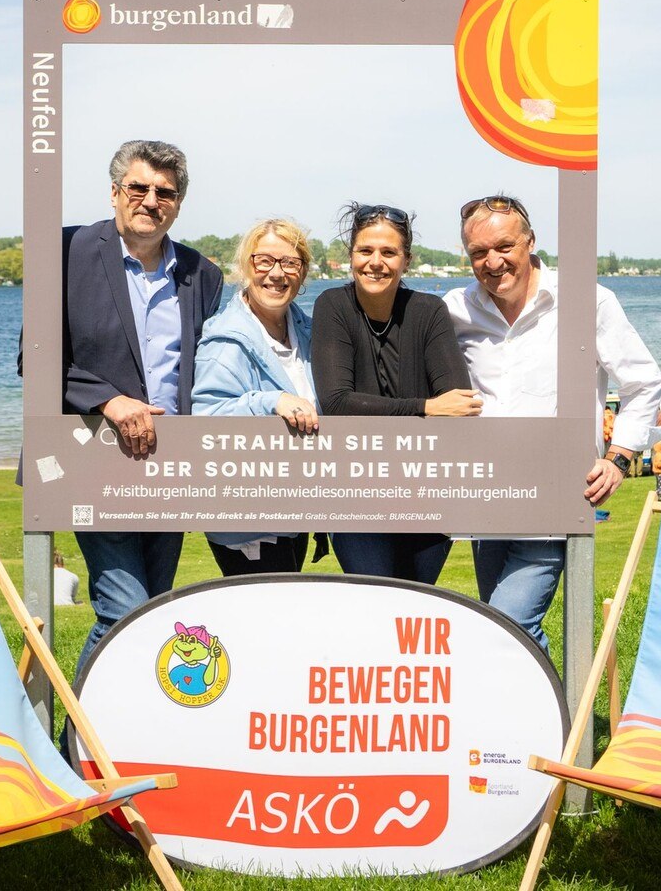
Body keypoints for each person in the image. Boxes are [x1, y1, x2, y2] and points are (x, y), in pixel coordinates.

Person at [444, 193, 661, 653]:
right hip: (485, 494)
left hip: (557, 494)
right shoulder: (455, 309)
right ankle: (539, 719)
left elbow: (642, 383)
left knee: (508, 620)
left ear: (530, 241)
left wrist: (620, 458)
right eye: (478, 253)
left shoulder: (588, 301)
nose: (492, 261)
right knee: (501, 626)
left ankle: (550, 722)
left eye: (504, 246)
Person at [62, 139, 223, 676]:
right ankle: (75, 744)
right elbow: (33, 360)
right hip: (92, 462)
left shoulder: (203, 274)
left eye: (166, 193)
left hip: (169, 468)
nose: (151, 200)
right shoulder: (65, 252)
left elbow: (206, 368)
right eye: (139, 187)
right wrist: (108, 399)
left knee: (154, 611)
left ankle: (128, 742)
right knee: (122, 609)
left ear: (178, 204)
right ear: (114, 193)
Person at [312, 203, 481, 583]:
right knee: (375, 599)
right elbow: (338, 403)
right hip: (355, 496)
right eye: (365, 250)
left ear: (406, 260)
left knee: (414, 604)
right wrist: (425, 407)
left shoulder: (428, 311)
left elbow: (459, 403)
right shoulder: (333, 306)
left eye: (389, 252)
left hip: (426, 492)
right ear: (351, 255)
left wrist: (432, 409)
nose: (376, 262)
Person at [192, 218, 319, 575]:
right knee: (267, 624)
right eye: (264, 261)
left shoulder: (307, 331)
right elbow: (205, 420)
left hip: (292, 511)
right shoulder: (225, 340)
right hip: (246, 519)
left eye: (290, 263)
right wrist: (270, 402)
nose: (276, 274)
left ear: (303, 272)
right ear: (246, 266)